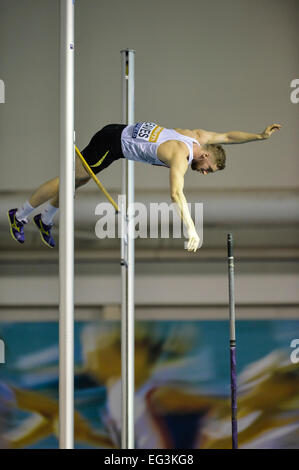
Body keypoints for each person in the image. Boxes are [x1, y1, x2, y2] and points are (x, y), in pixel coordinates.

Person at [7, 121, 281, 251]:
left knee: (76, 182)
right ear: (205, 156)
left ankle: (46, 218)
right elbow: (176, 193)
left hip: (116, 133)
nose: (205, 173)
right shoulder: (180, 156)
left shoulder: (198, 137)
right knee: (68, 180)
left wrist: (259, 136)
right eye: (207, 170)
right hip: (112, 143)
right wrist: (191, 229)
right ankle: (19, 215)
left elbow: (230, 136)